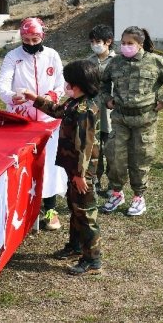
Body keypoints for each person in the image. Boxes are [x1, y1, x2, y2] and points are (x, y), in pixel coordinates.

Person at [23, 60, 102, 276]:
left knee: (85, 213)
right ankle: (75, 247)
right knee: (75, 207)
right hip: (72, 169)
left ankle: (92, 259)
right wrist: (35, 99)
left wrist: (80, 175)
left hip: (82, 172)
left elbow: (85, 146)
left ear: (79, 84)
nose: (66, 85)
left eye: (69, 82)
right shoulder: (74, 103)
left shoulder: (86, 110)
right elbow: (57, 111)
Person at [100, 27, 163, 216]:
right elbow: (102, 83)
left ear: (140, 44)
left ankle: (138, 197)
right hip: (120, 117)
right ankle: (117, 193)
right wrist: (107, 99)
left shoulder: (155, 61)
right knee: (114, 155)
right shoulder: (115, 63)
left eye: (130, 43)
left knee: (141, 157)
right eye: (124, 43)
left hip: (145, 119)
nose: (126, 46)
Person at [0, 17, 66, 230]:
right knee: (21, 162)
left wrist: (45, 99)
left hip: (48, 118)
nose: (31, 43)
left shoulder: (52, 55)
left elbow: (61, 84)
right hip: (21, 119)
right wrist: (10, 97)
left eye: (35, 39)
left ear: (42, 36)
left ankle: (51, 209)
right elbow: (2, 83)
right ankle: (19, 207)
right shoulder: (13, 56)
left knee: (50, 164)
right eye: (26, 39)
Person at [87, 24, 115, 193]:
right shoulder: (89, 61)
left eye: (98, 41)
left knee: (111, 150)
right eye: (92, 41)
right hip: (93, 111)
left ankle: (113, 186)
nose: (95, 44)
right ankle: (95, 181)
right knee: (94, 151)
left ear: (108, 42)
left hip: (111, 112)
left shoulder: (117, 61)